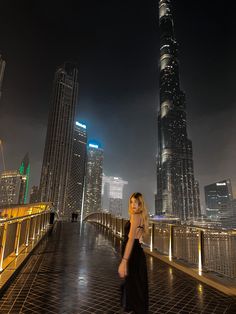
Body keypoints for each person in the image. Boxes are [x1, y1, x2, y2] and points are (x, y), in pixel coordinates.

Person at [118, 192, 149, 313]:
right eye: (131, 202)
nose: (133, 205)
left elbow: (131, 240)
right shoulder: (141, 216)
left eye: (136, 202)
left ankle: (132, 308)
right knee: (136, 285)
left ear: (140, 203)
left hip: (133, 255)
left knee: (133, 285)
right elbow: (139, 238)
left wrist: (124, 261)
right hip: (137, 253)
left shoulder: (136, 216)